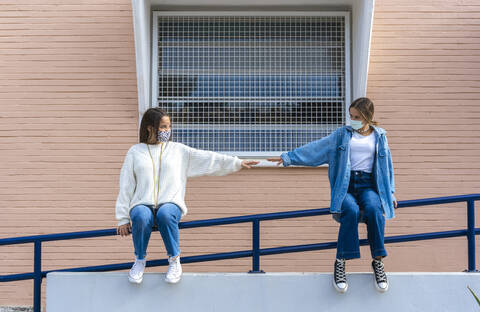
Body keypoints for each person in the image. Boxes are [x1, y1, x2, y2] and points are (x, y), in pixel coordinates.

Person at [268, 97, 397, 293]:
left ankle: (377, 262)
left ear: (367, 116)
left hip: (369, 184)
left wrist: (392, 193)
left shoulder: (380, 136)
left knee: (374, 209)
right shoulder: (341, 135)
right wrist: (288, 157)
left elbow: (387, 167)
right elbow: (316, 149)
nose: (352, 120)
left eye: (356, 117)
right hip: (346, 185)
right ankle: (341, 262)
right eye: (350, 116)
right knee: (351, 210)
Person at [116, 107, 258, 284]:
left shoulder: (178, 151)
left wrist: (236, 162)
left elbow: (207, 158)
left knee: (165, 214)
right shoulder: (135, 152)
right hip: (142, 203)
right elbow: (126, 184)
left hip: (170, 203)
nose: (167, 131)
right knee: (139, 214)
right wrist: (122, 218)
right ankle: (139, 260)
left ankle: (174, 260)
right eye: (163, 127)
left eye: (168, 127)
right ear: (150, 128)